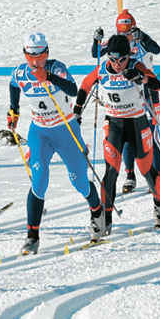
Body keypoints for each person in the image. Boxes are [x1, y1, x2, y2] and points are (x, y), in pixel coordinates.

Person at [8, 33, 105, 255]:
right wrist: (14, 110)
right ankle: (32, 236)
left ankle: (97, 210)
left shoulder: (56, 67)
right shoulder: (20, 72)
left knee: (79, 181)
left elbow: (73, 89)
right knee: (39, 179)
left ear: (47, 54)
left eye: (40, 56)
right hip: (39, 131)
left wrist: (49, 77)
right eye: (30, 56)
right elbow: (13, 84)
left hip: (66, 130)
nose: (35, 61)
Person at [75, 34, 160, 230]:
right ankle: (105, 219)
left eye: (122, 60)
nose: (117, 65)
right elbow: (85, 85)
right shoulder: (102, 70)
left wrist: (141, 77)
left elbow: (156, 84)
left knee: (145, 169)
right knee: (111, 171)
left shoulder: (136, 65)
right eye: (113, 60)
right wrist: (77, 110)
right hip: (114, 123)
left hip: (137, 123)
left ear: (129, 56)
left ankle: (159, 201)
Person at [92, 10, 160, 192]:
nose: (126, 36)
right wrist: (96, 40)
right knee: (127, 134)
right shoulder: (115, 44)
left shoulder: (140, 40)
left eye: (129, 32)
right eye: (122, 32)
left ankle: (155, 175)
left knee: (150, 134)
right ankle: (130, 174)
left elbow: (157, 49)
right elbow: (96, 54)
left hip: (146, 88)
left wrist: (144, 37)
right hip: (125, 92)